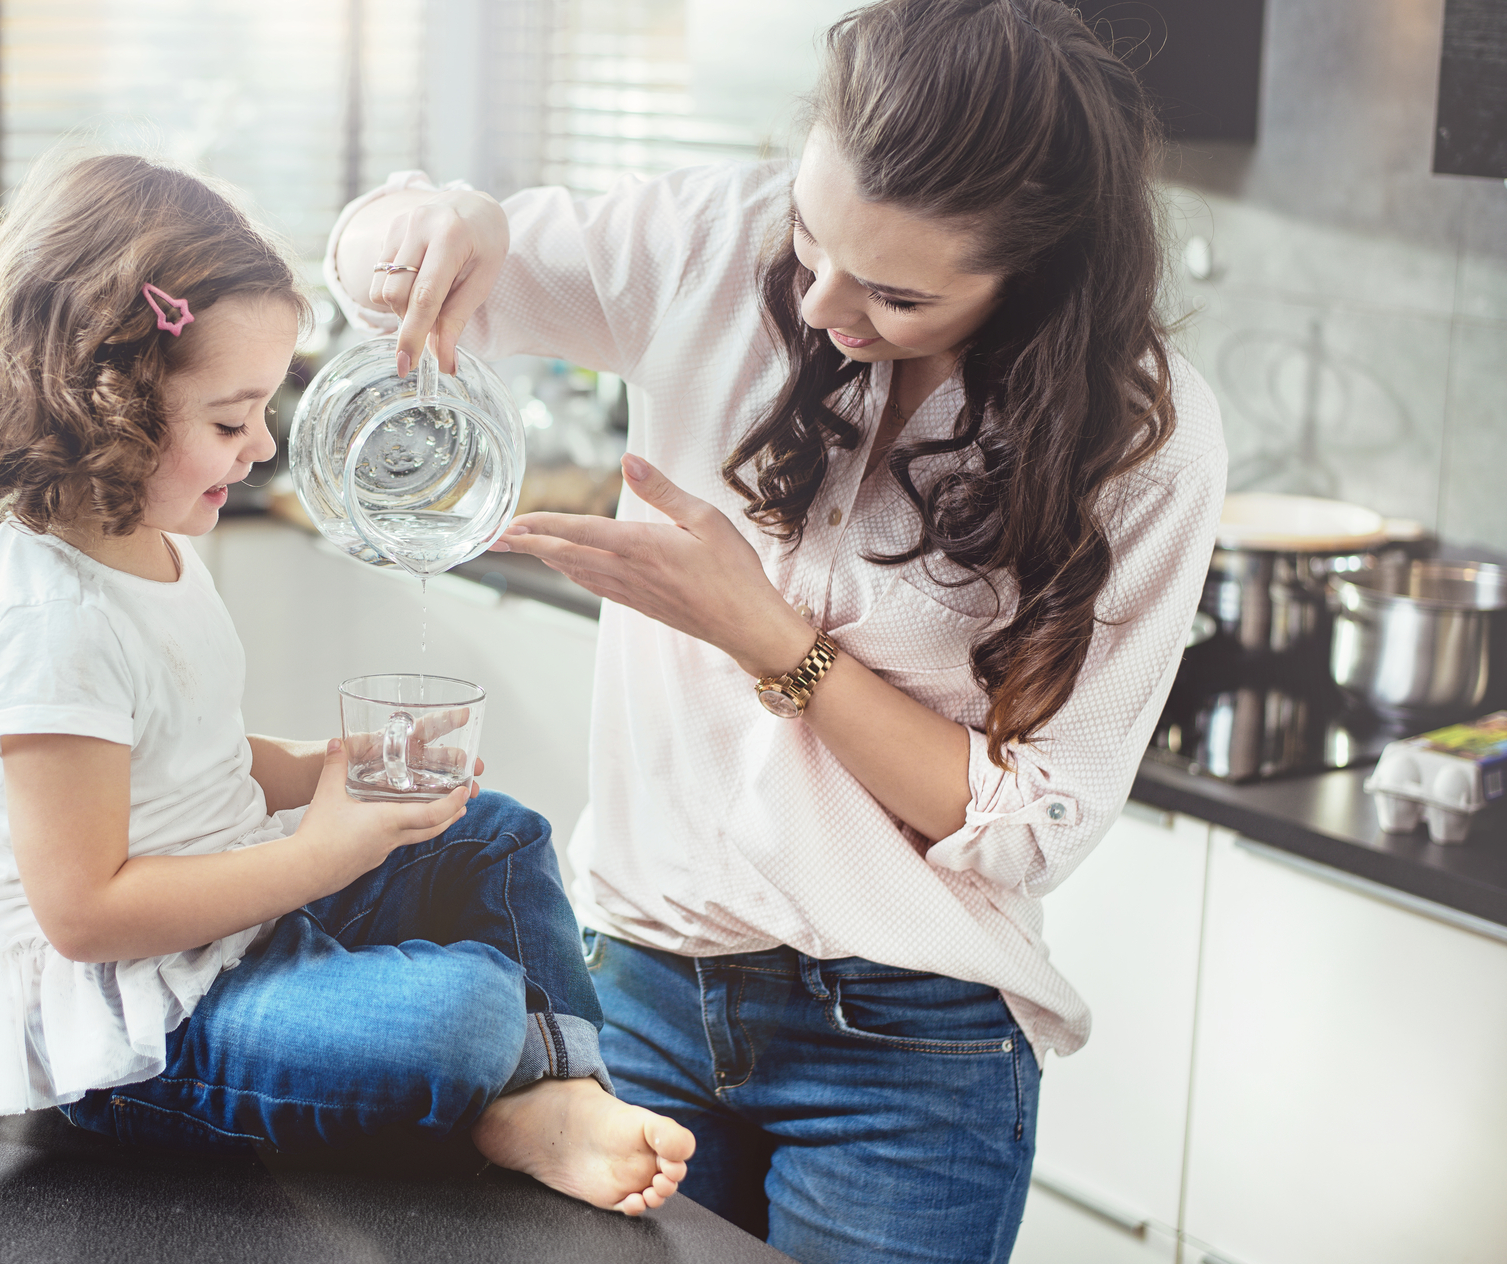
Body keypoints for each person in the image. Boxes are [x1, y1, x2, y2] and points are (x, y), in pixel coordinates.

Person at [327, 0, 1227, 1258]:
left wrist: (765, 637)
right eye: (811, 240)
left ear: (1035, 269)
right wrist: (442, 226)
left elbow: (1026, 830)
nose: (820, 306)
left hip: (908, 1054)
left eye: (897, 293)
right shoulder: (710, 241)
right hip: (634, 986)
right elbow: (417, 281)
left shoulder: (1142, 442)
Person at [0, 149, 695, 1214]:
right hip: (124, 1033)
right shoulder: (49, 620)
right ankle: (511, 1085)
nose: (264, 444)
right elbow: (85, 913)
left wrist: (317, 770)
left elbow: (184, 757)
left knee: (499, 833)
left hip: (226, 929)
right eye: (230, 419)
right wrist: (319, 850)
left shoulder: (147, 541)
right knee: (461, 1011)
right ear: (105, 401)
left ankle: (551, 1090)